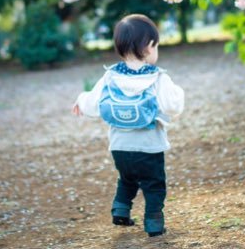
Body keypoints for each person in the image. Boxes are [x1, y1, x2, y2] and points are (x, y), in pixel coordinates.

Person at [73, 14, 184, 237]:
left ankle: (120, 209)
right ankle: (153, 221)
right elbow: (173, 105)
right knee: (154, 185)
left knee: (127, 178)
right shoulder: (157, 78)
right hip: (149, 147)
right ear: (150, 46)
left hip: (119, 147)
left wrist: (80, 101)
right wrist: (180, 94)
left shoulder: (110, 76)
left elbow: (94, 103)